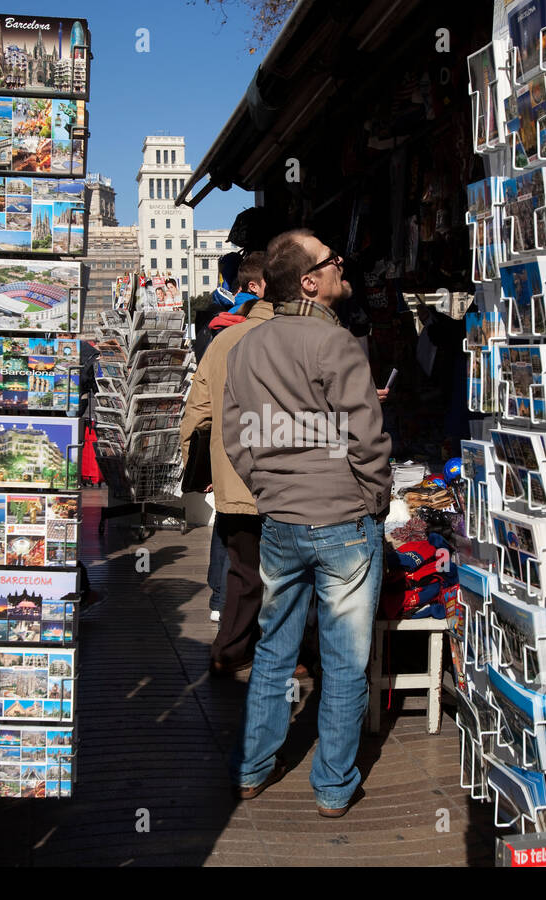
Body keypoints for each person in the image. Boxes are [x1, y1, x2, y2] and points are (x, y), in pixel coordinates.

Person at [222, 228, 392, 818]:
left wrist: (268, 485)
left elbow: (236, 435)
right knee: (344, 660)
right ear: (312, 281)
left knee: (273, 648)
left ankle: (253, 768)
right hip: (341, 519)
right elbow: (368, 440)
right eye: (332, 261)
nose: (343, 266)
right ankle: (333, 786)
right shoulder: (335, 344)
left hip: (282, 519)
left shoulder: (246, 345)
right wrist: (373, 499)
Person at [180, 251, 273, 672]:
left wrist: (198, 471)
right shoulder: (306, 336)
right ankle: (293, 655)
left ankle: (230, 651)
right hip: (293, 482)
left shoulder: (223, 340)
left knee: (244, 571)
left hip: (235, 478)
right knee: (293, 574)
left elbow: (197, 413)